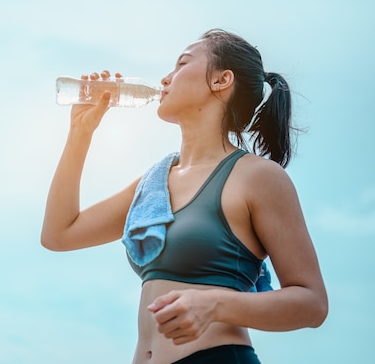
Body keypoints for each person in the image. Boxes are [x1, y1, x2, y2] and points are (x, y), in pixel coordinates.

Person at [40, 28, 328, 363]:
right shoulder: (154, 184)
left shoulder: (258, 177)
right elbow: (59, 234)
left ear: (221, 81)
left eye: (181, 64)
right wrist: (80, 131)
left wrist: (215, 304)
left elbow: (312, 304)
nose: (165, 79)